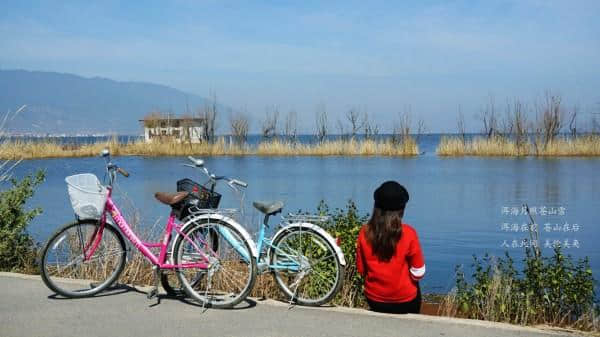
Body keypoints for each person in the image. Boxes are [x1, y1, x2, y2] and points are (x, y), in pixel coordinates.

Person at [356, 181, 425, 314]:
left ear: (376, 207)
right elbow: (419, 273)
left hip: (374, 299)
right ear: (401, 210)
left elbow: (361, 269)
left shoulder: (364, 232)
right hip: (405, 301)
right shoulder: (409, 233)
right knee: (414, 286)